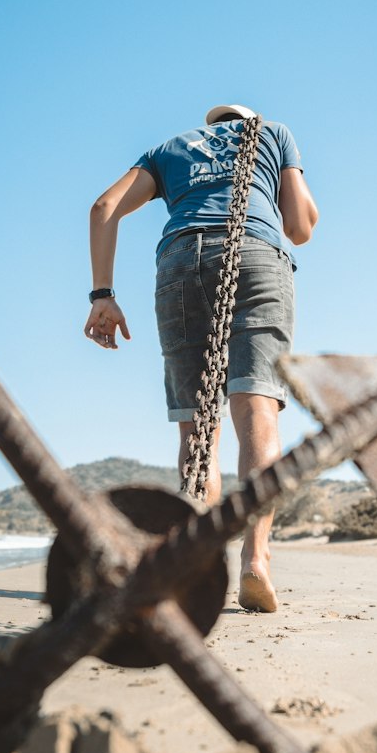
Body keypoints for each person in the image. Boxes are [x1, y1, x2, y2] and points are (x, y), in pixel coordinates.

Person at [84, 104, 318, 613]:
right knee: (256, 409)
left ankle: (197, 566)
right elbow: (300, 226)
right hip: (256, 253)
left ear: (209, 128)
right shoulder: (272, 133)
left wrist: (102, 294)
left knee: (197, 428)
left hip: (180, 261)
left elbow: (104, 207)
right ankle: (256, 560)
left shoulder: (169, 149)